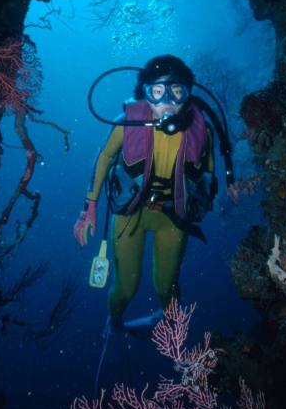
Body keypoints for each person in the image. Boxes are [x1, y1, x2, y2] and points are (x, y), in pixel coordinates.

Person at [73, 54, 240, 335]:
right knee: (126, 287)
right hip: (130, 213)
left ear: (187, 94)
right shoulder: (126, 123)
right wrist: (89, 208)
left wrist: (215, 195)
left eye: (177, 92)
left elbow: (208, 169)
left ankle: (171, 328)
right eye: (158, 92)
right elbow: (103, 159)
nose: (167, 102)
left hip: (173, 217)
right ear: (145, 93)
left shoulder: (203, 130)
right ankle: (113, 324)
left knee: (167, 286)